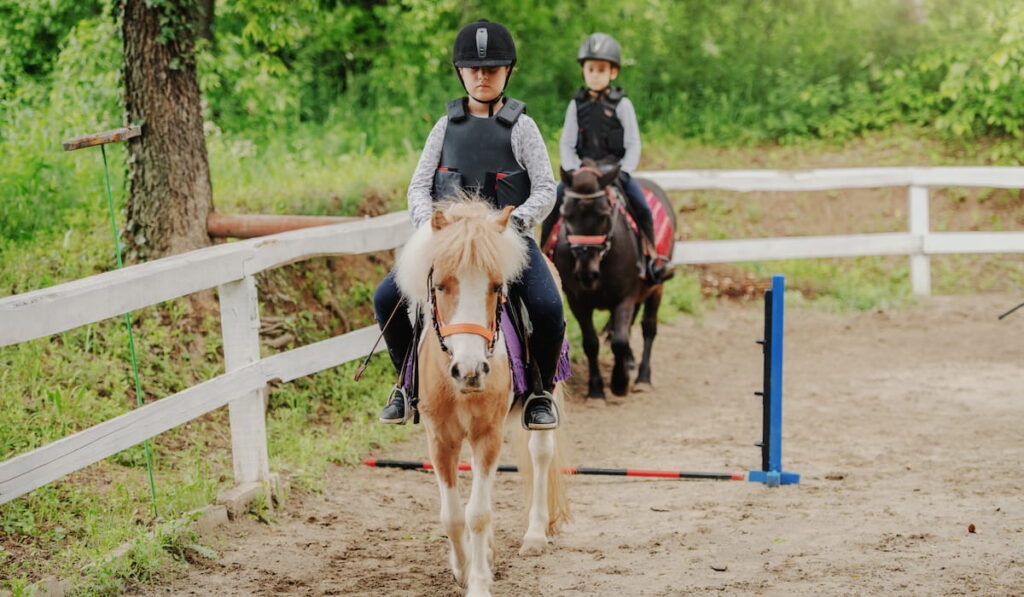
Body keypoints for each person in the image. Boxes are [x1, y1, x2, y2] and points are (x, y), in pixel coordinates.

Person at [374, 19, 563, 430]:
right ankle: (406, 386)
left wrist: (517, 223)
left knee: (548, 307)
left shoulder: (523, 128)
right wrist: (432, 228)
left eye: (492, 69)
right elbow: (418, 187)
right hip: (450, 244)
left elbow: (546, 189)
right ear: (460, 72)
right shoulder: (444, 127)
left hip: (504, 241)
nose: (482, 76)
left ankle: (540, 393)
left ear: (507, 71)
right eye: (474, 69)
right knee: (386, 298)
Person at [541, 32, 665, 282]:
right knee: (553, 202)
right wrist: (574, 170)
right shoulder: (576, 104)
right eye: (590, 69)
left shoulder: (622, 104)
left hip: (613, 172)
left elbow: (632, 143)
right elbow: (566, 143)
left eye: (601, 69)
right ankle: (543, 255)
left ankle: (651, 256)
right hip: (583, 173)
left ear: (613, 72)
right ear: (583, 71)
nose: (595, 74)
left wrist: (625, 170)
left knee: (640, 204)